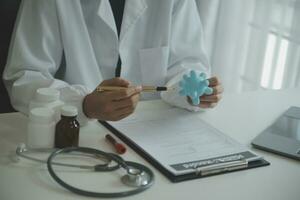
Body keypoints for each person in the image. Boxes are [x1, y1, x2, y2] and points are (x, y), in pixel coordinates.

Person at [3, 0, 223, 124]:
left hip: (153, 132)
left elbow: (188, 62)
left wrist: (193, 92)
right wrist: (83, 105)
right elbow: (24, 77)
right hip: (74, 132)